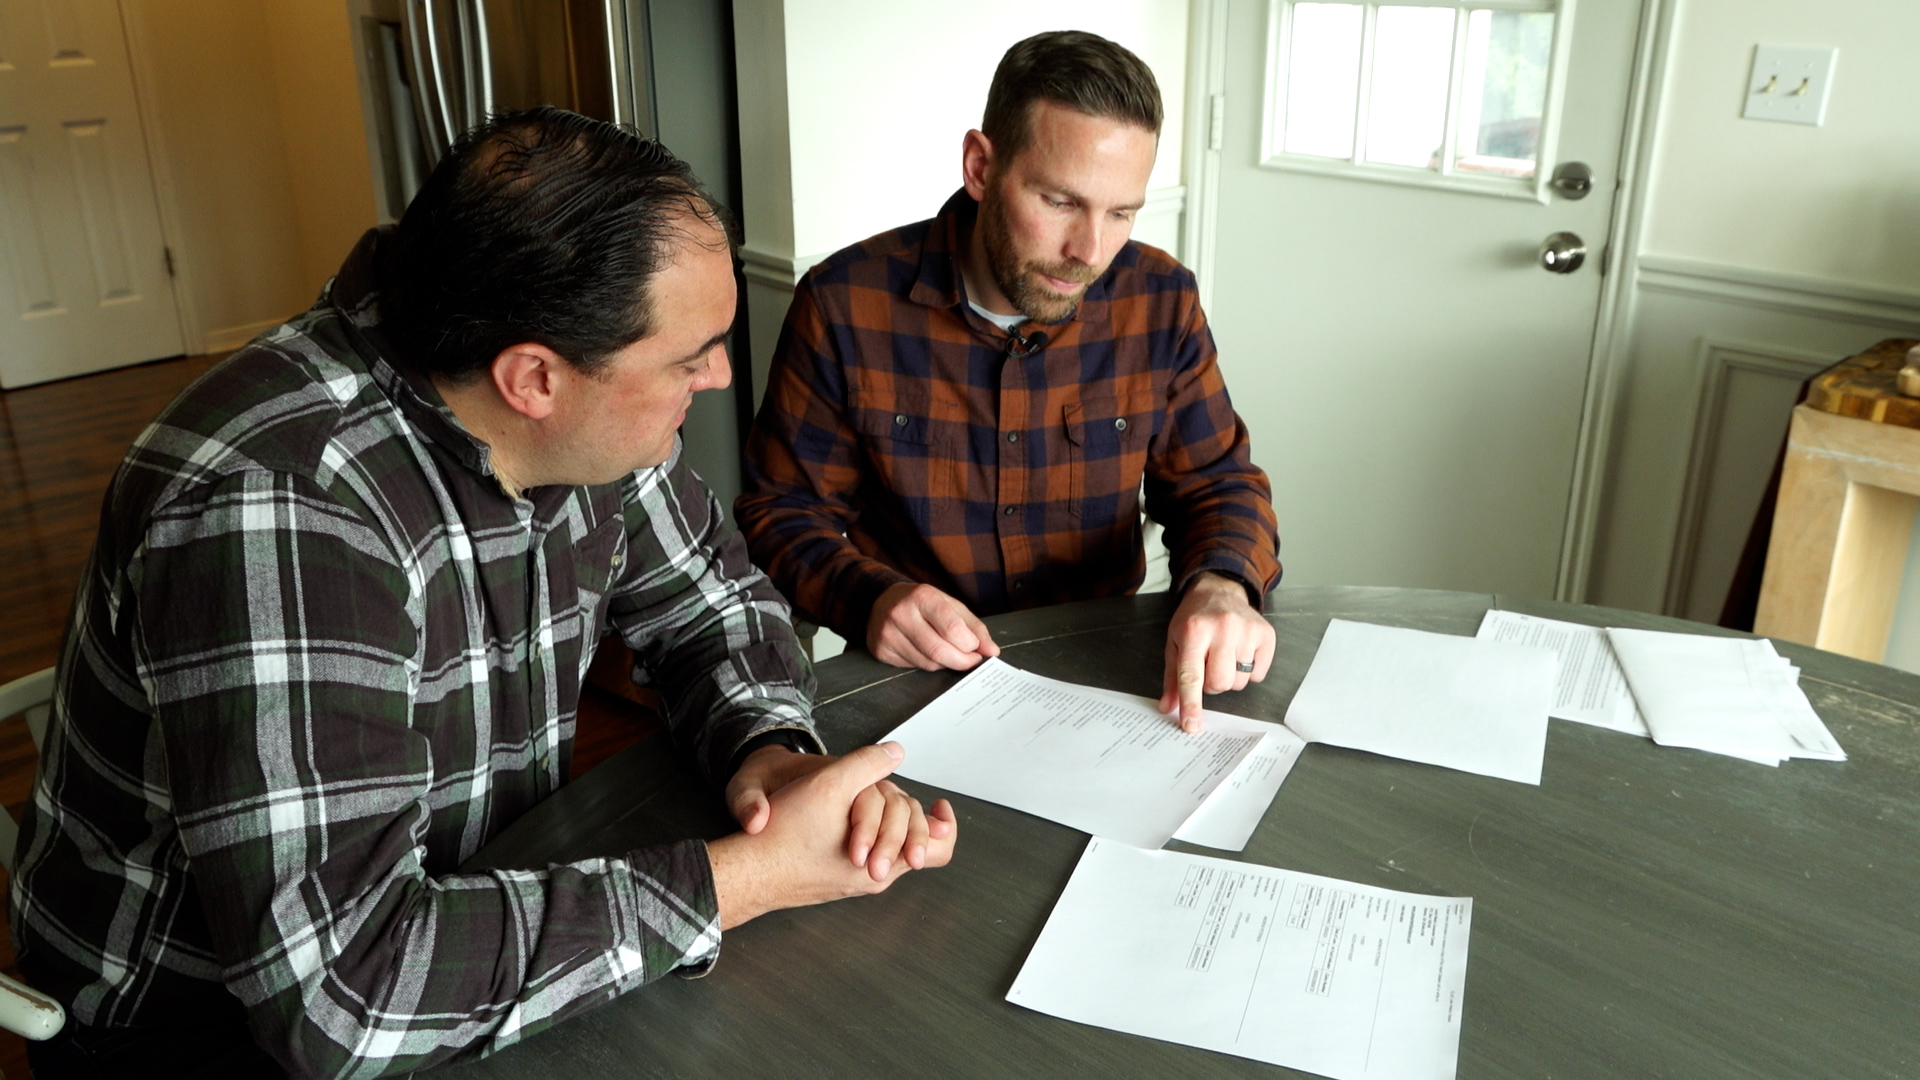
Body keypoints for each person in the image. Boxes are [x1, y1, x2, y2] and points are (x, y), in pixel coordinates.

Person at [10, 107, 955, 1079]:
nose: (717, 377)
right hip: (206, 1023)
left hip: (469, 899)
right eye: (690, 357)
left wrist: (769, 752)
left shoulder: (588, 415)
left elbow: (716, 605)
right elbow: (345, 1000)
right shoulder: (283, 503)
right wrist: (748, 877)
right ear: (534, 379)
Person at [737, 31, 1282, 732]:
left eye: (1121, 213)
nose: (1089, 251)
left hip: (1113, 687)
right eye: (1060, 201)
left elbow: (1218, 483)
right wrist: (867, 598)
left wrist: (1222, 584)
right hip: (918, 690)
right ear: (981, 167)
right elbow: (779, 512)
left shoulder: (1160, 299)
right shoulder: (845, 305)